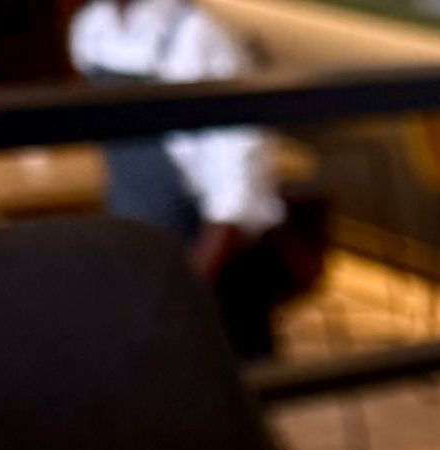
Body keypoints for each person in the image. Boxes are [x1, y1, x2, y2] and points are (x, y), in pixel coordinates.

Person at [68, 0, 288, 358]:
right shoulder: (92, 28)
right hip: (136, 251)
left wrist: (193, 282)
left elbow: (237, 177)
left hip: (206, 254)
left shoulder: (198, 36)